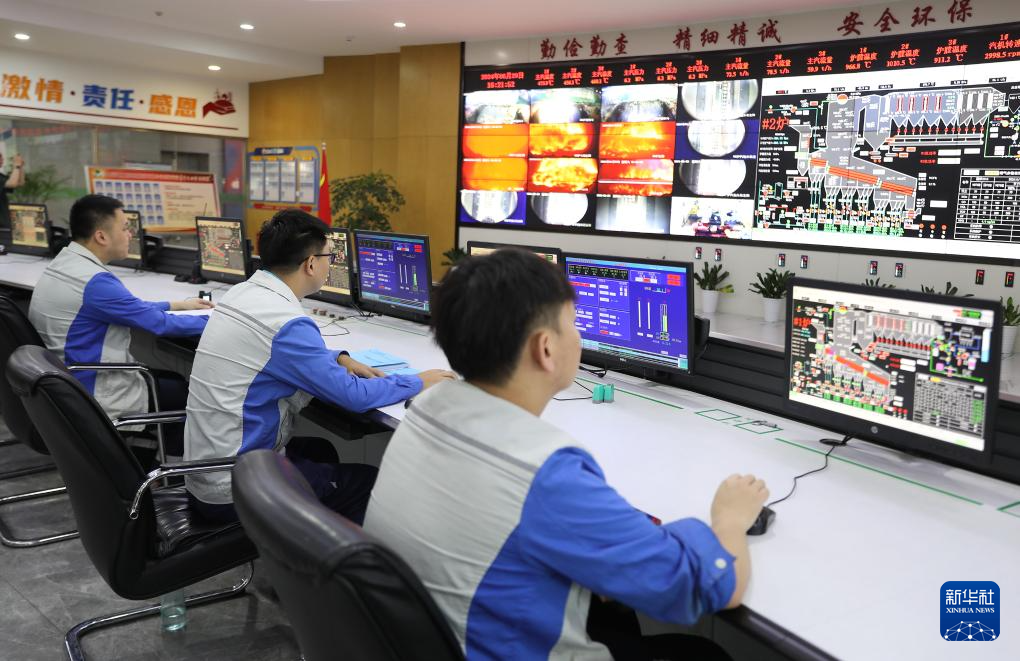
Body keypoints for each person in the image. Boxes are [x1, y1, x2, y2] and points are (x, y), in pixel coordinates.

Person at [364, 248, 769, 660]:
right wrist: (729, 519)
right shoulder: (544, 470)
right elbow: (705, 589)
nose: (578, 336)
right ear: (545, 348)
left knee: (614, 617)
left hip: (427, 639)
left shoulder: (427, 406)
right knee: (701, 653)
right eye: (573, 323)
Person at [186, 209, 454, 525]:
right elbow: (354, 396)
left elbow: (274, 348)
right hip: (233, 489)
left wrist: (338, 358)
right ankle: (338, 556)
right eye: (330, 256)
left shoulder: (243, 293)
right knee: (367, 482)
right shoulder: (286, 321)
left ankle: (302, 542)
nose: (331, 264)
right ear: (311, 264)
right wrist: (418, 381)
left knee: (321, 449)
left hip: (206, 471)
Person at [28, 195, 211, 455]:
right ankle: (158, 469)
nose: (130, 235)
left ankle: (148, 457)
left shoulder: (67, 263)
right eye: (125, 228)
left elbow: (127, 308)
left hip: (65, 382)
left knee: (170, 382)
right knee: (189, 395)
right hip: (92, 390)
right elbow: (160, 325)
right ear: (101, 236)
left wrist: (175, 304)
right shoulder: (96, 281)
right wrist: (221, 321)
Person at [0, 153, 25, 230]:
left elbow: (20, 182)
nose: (2, 160)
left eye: (2, 158)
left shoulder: (1, 176)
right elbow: (12, 183)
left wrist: (20, 167)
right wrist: (17, 166)